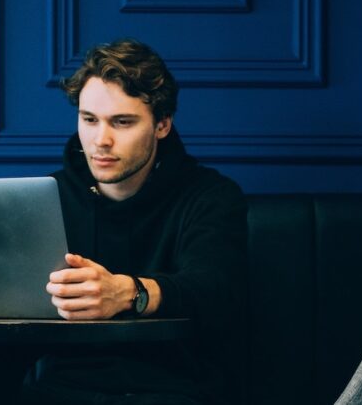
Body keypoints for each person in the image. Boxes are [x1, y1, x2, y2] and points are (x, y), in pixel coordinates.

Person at [22, 38, 247, 404]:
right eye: (89, 120)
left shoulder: (210, 196)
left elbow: (214, 291)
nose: (101, 140)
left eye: (122, 122)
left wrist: (128, 292)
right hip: (61, 392)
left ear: (162, 125)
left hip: (175, 393)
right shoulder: (48, 197)